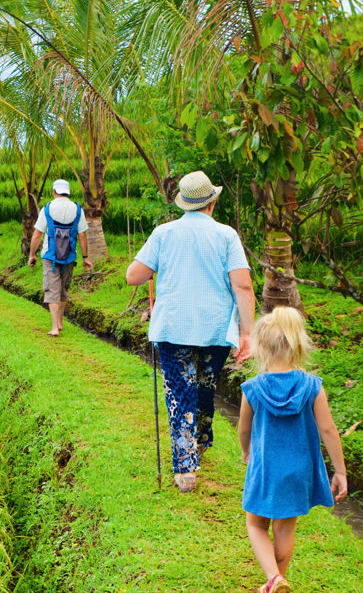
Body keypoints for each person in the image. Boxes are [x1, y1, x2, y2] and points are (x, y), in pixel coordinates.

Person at [125, 170, 256, 492]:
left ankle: (185, 469)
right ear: (212, 202)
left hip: (173, 328)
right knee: (205, 388)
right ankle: (199, 444)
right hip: (214, 330)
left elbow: (133, 276)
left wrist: (155, 264)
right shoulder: (227, 235)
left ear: (184, 204)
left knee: (179, 393)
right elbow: (243, 286)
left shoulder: (164, 234)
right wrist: (247, 333)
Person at [236, 307, 348, 593]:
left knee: (256, 524)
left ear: (261, 347)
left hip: (267, 468)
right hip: (299, 470)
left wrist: (246, 450)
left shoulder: (253, 388)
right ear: (299, 344)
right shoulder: (312, 386)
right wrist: (339, 471)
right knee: (285, 528)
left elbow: (244, 429)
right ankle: (278, 581)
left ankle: (273, 578)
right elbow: (328, 430)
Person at [27, 179, 92, 336]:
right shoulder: (77, 209)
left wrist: (32, 254)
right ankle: (60, 322)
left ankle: (55, 327)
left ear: (54, 191)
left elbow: (37, 234)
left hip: (50, 256)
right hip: (70, 256)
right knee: (63, 288)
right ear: (68, 192)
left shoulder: (48, 209)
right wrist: (85, 257)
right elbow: (82, 236)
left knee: (52, 290)